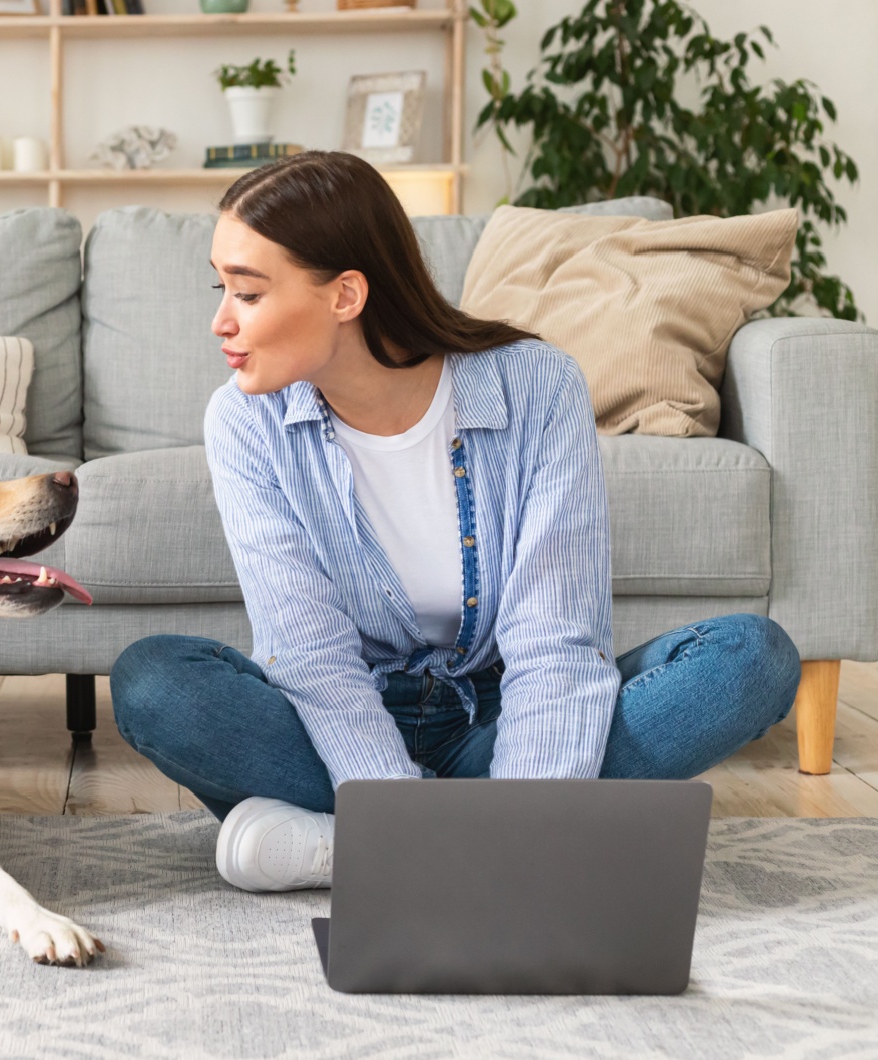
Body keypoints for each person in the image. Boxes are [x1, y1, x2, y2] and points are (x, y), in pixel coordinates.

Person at [109, 151, 802, 894]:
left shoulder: (536, 387)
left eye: (246, 293)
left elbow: (556, 640)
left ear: (346, 295)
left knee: (749, 658)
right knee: (154, 682)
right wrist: (401, 802)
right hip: (339, 720)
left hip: (500, 719)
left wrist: (525, 802)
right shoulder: (245, 420)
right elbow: (309, 655)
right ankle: (497, 845)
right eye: (223, 289)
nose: (220, 321)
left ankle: (358, 848)